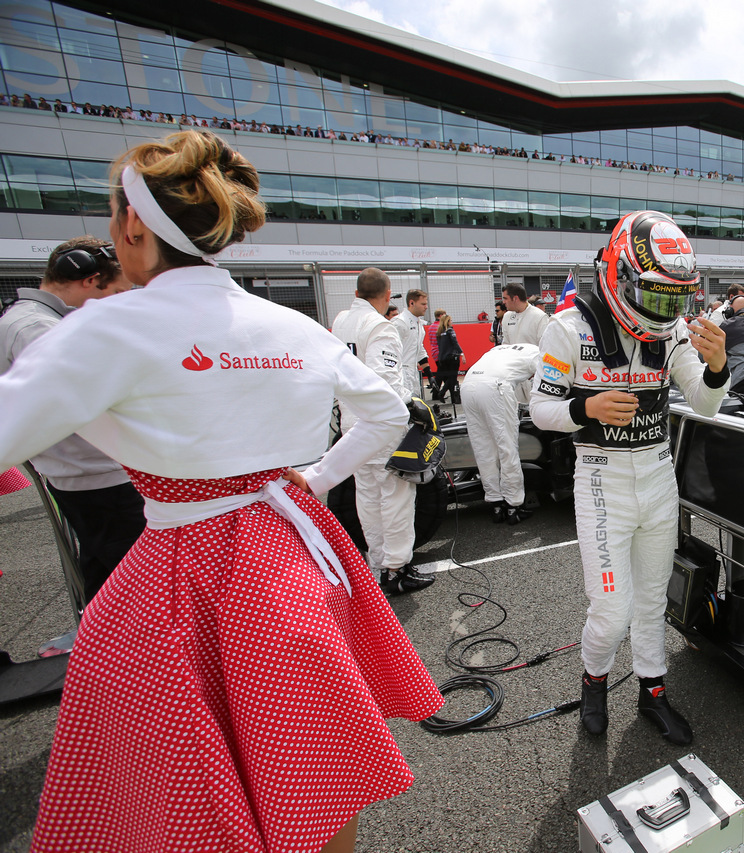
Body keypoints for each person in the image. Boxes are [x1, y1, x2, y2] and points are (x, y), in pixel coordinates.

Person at [0, 130, 443, 853]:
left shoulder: (110, 325)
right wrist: (320, 475)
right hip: (295, 550)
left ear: (129, 224)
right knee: (317, 764)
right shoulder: (289, 324)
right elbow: (387, 413)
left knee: (183, 784)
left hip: (185, 566)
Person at [530, 210, 729, 744]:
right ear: (618, 274)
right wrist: (587, 406)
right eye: (658, 295)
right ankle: (594, 682)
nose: (668, 310)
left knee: (651, 602)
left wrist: (716, 366)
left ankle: (653, 691)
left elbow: (708, 405)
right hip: (601, 484)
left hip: (659, 480)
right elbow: (539, 409)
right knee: (612, 612)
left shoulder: (676, 332)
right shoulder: (567, 326)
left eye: (676, 297)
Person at [0, 236, 144, 626]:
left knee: (107, 573)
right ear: (89, 281)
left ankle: (101, 658)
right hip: (97, 475)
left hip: (88, 473)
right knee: (133, 581)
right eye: (114, 292)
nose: (115, 303)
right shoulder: (36, 328)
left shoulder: (38, 321)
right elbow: (83, 405)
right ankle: (129, 665)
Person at [332, 268, 435, 597]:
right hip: (380, 426)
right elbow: (386, 380)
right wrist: (412, 405)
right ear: (387, 294)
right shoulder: (381, 327)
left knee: (368, 496)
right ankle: (398, 569)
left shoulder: (341, 321)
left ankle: (378, 564)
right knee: (396, 497)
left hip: (352, 424)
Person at [459, 343, 540, 524]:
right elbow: (543, 383)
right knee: (507, 448)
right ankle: (514, 506)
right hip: (495, 388)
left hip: (468, 387)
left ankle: (496, 503)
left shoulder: (499, 350)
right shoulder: (538, 353)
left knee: (483, 449)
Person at [392, 288, 430, 398]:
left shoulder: (419, 325)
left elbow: (420, 350)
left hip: (413, 372)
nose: (426, 307)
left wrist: (429, 374)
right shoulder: (399, 323)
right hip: (401, 373)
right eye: (423, 304)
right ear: (411, 303)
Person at [433, 312, 463, 403]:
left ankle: (446, 395)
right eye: (451, 320)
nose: (452, 322)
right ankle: (442, 393)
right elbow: (455, 343)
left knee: (449, 377)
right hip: (452, 357)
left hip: (443, 358)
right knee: (452, 377)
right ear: (447, 321)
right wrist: (461, 353)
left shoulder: (439, 333)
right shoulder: (450, 331)